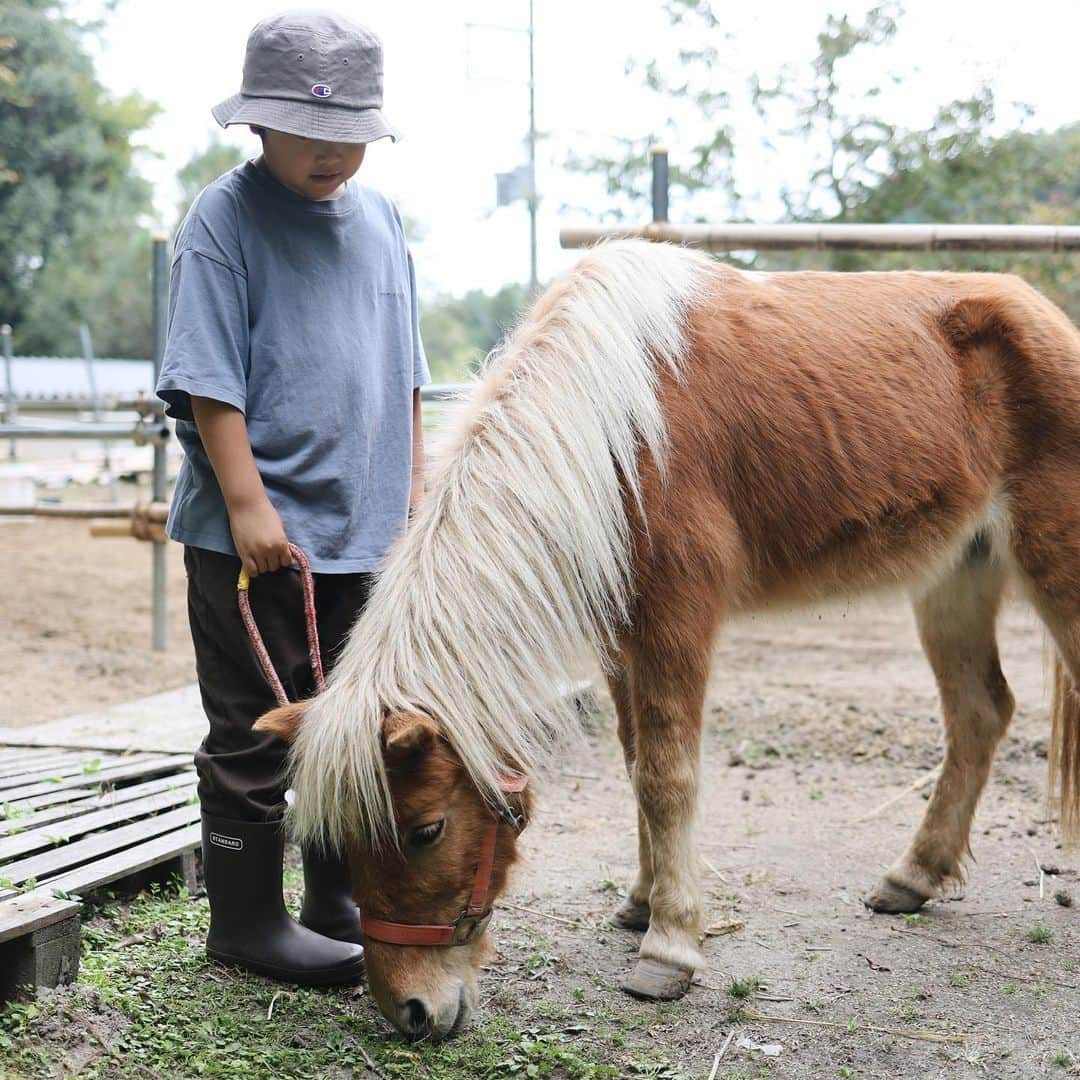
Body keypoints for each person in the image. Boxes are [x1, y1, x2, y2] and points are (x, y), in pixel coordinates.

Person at [156, 10, 428, 985]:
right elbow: (207, 379)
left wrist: (412, 498)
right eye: (311, 133)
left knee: (345, 721)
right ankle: (246, 919)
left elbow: (404, 376)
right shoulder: (222, 220)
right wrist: (247, 505)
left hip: (361, 531)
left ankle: (333, 894)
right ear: (259, 126)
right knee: (255, 726)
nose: (333, 154)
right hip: (255, 537)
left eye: (352, 134)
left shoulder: (382, 222)